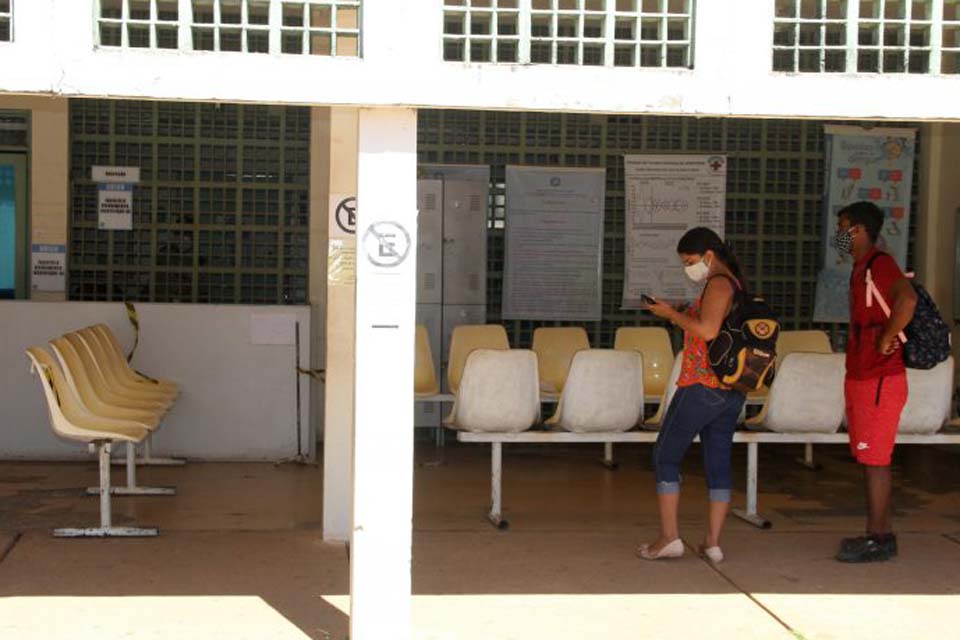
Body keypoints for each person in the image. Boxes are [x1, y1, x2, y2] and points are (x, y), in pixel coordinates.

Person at [638, 227, 747, 564]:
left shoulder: (718, 283)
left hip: (702, 385)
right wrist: (684, 313)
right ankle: (712, 543)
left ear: (709, 256)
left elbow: (708, 331)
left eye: (690, 261)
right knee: (717, 463)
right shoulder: (737, 285)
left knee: (665, 456)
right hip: (730, 391)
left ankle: (669, 538)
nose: (689, 268)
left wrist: (670, 315)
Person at [834, 201, 916, 563]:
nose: (839, 236)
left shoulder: (880, 265)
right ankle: (875, 533)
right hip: (862, 375)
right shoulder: (860, 268)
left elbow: (907, 299)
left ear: (860, 230)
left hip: (879, 378)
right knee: (868, 458)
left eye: (843, 228)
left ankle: (880, 537)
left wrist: (888, 336)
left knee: (877, 460)